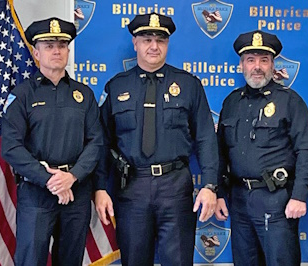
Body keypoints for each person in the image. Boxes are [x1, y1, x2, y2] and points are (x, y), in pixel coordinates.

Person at [93, 13, 219, 266]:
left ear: (167, 44)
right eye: (147, 39)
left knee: (179, 261)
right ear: (135, 43)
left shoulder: (189, 85)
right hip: (131, 189)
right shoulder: (116, 87)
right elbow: (101, 142)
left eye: (160, 40)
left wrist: (210, 186)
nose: (153, 46)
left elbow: (206, 137)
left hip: (175, 187)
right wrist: (99, 188)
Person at [1, 17, 103, 266]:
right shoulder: (22, 94)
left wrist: (72, 176)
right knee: (31, 259)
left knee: (70, 259)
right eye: (49, 46)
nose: (56, 50)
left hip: (76, 191)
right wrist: (50, 180)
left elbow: (96, 142)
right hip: (37, 192)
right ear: (36, 52)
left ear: (68, 50)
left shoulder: (84, 94)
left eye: (62, 45)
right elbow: (11, 147)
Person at [214, 30, 308, 265]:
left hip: (276, 199)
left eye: (264, 60)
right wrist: (219, 192)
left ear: (273, 65)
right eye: (251, 60)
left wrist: (299, 196)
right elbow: (220, 153)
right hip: (239, 200)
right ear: (242, 64)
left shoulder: (290, 101)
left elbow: (306, 151)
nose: (257, 67)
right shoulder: (231, 102)